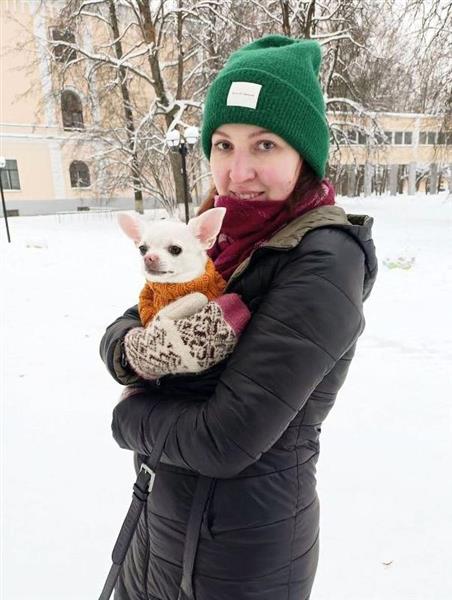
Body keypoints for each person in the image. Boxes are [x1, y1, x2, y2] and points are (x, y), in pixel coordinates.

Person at [100, 34, 378, 600]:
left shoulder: (323, 260)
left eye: (266, 144)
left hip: (242, 550)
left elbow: (226, 439)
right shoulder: (217, 235)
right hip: (166, 517)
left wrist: (127, 420)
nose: (239, 171)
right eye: (223, 145)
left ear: (304, 155)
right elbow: (127, 327)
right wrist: (132, 353)